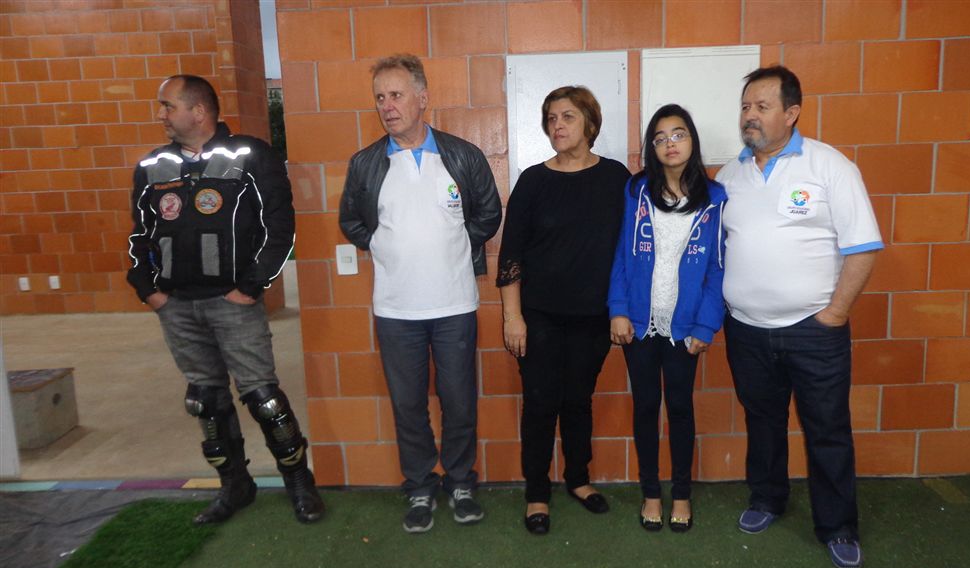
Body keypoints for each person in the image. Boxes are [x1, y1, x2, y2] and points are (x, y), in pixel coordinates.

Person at [126, 74, 324, 524]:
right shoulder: (152, 166)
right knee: (205, 401)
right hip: (176, 306)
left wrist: (250, 287)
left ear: (198, 111)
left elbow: (279, 229)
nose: (161, 114)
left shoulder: (250, 155)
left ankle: (300, 483)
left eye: (168, 105)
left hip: (233, 303)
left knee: (264, 399)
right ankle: (235, 487)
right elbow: (140, 235)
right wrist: (149, 290)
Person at [716, 66, 883, 568]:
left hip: (814, 330)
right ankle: (768, 498)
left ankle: (838, 526)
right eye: (746, 106)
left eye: (761, 107)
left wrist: (834, 314)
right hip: (747, 329)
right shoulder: (730, 177)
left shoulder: (829, 166)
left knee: (827, 429)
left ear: (791, 113)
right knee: (763, 422)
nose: (749, 115)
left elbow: (863, 248)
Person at [338, 54, 501, 534]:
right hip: (395, 310)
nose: (387, 106)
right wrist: (384, 246)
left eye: (396, 95)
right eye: (380, 98)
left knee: (459, 401)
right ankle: (419, 486)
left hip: (454, 305)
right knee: (408, 404)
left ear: (422, 98)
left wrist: (453, 245)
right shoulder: (366, 164)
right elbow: (351, 222)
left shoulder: (462, 156)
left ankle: (461, 483)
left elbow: (488, 215)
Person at [497, 86, 631, 535]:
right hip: (539, 316)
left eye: (568, 116)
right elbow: (511, 255)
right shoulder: (533, 181)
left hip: (593, 317)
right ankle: (537, 491)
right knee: (540, 403)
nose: (558, 125)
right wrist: (512, 317)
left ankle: (578, 478)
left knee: (578, 400)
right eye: (552, 118)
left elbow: (629, 249)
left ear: (590, 123)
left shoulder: (615, 178)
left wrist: (622, 307)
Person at [608, 104, 726, 533]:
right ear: (651, 148)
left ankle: (681, 494)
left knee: (679, 408)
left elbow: (717, 268)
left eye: (678, 134)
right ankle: (651, 493)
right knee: (645, 407)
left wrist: (706, 325)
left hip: (685, 328)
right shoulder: (636, 190)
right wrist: (618, 309)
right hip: (640, 324)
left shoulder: (715, 197)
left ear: (692, 140)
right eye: (660, 138)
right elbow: (622, 253)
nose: (669, 144)